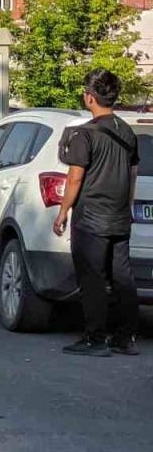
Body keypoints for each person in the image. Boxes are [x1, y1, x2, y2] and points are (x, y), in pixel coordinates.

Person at [53, 70, 140, 357]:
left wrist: (63, 211)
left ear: (90, 97)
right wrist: (126, 207)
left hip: (90, 216)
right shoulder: (127, 131)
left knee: (92, 278)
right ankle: (124, 338)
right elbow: (133, 172)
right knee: (122, 278)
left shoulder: (86, 133)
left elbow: (75, 177)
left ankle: (95, 339)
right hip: (119, 216)